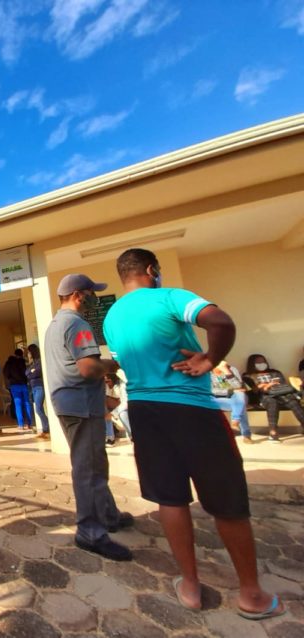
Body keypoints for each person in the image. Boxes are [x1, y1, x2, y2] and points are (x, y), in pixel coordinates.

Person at [103, 248, 284, 620]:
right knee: (227, 499)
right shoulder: (171, 296)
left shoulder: (111, 316)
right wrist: (209, 359)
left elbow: (121, 360)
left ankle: (189, 585)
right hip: (193, 410)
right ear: (152, 270)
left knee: (170, 498)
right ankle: (250, 593)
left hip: (144, 411)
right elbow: (221, 322)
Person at [45, 274, 133, 561]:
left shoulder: (55, 325)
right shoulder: (77, 324)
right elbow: (88, 368)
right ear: (79, 295)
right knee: (90, 469)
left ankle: (108, 515)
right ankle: (91, 533)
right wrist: (112, 363)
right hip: (82, 405)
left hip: (68, 403)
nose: (93, 299)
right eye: (91, 294)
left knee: (91, 463)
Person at [244, 353, 304, 442]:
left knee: (293, 401)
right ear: (252, 364)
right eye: (258, 362)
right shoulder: (247, 375)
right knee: (272, 402)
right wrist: (263, 386)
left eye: (263, 361)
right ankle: (273, 432)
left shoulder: (275, 372)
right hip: (263, 397)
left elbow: (283, 385)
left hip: (281, 394)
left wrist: (268, 385)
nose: (261, 363)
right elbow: (252, 391)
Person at [211, 361, 252, 444]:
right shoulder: (207, 373)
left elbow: (238, 386)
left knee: (240, 397)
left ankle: (235, 423)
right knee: (240, 405)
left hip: (235, 398)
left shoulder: (232, 369)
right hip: (218, 400)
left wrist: (227, 371)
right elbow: (211, 390)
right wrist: (230, 391)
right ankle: (246, 434)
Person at [3, 348, 33, 431]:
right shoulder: (23, 362)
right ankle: (29, 424)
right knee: (27, 403)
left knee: (18, 405)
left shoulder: (9, 362)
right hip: (24, 384)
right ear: (22, 354)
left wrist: (10, 379)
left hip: (14, 385)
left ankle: (20, 425)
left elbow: (5, 373)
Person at [26, 344, 50, 439]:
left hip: (39, 387)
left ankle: (47, 428)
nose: (27, 354)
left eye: (28, 352)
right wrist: (31, 371)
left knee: (38, 409)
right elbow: (27, 373)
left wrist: (31, 372)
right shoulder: (32, 363)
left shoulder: (39, 362)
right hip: (33, 388)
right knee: (38, 408)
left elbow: (36, 373)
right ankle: (45, 430)